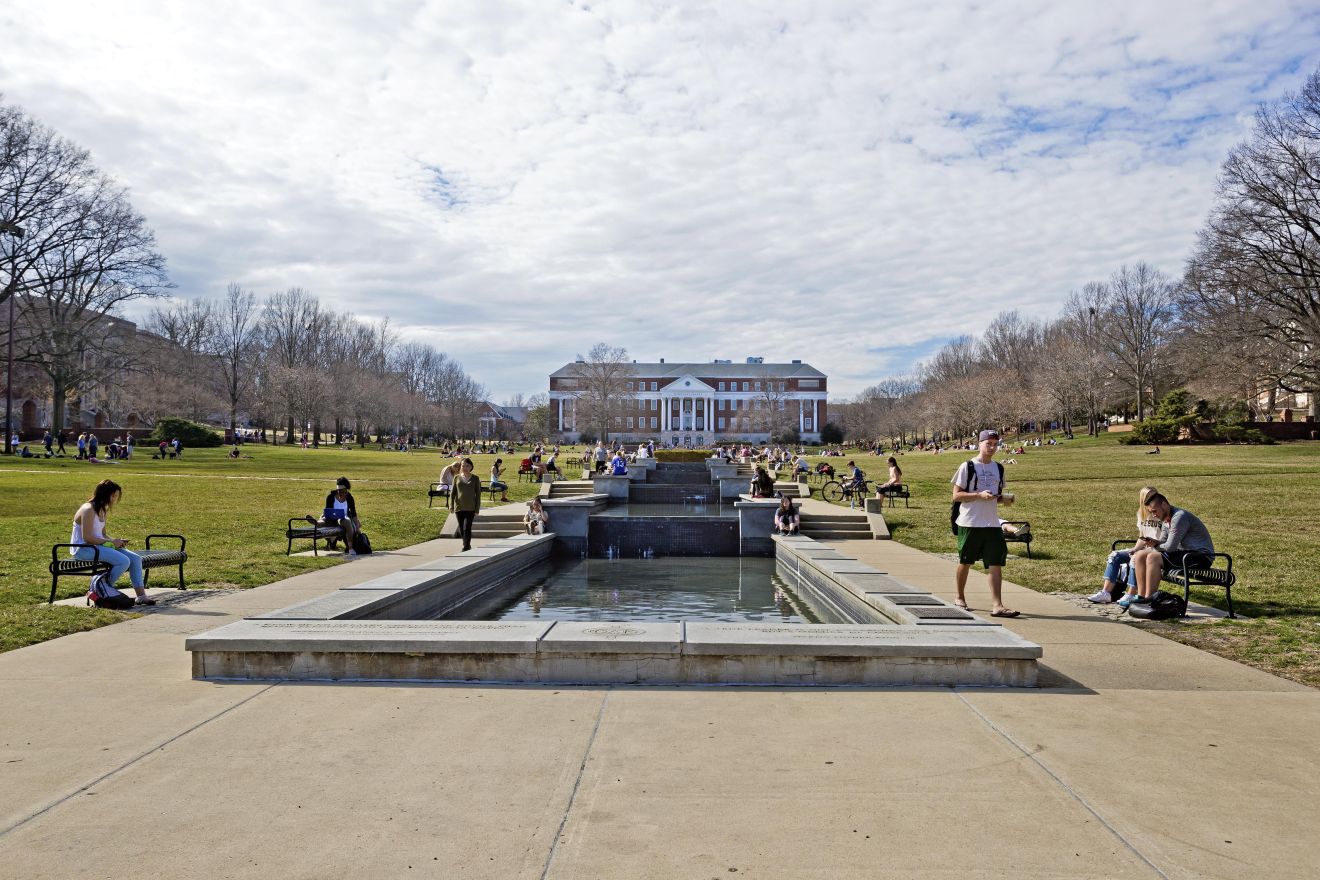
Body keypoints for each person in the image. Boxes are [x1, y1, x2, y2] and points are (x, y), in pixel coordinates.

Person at [950, 429, 1019, 617]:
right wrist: (978, 495)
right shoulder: (968, 466)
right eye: (988, 443)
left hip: (992, 524)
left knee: (995, 563)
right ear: (979, 443)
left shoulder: (999, 468)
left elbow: (994, 496)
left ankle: (998, 605)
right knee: (965, 561)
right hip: (970, 523)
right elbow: (956, 495)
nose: (992, 447)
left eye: (995, 444)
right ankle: (959, 597)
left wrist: (1003, 498)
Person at [71, 479, 155, 606]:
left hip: (96, 546)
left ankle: (141, 596)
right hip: (83, 549)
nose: (115, 499)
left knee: (135, 559)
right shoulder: (88, 509)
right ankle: (101, 590)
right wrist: (111, 542)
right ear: (105, 494)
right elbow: (87, 537)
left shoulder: (102, 510)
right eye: (113, 496)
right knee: (123, 561)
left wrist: (116, 541)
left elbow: (102, 535)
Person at [1128, 492, 1215, 606]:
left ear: (1164, 505)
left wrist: (1155, 546)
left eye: (1154, 511)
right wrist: (1154, 542)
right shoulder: (1165, 518)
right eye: (1151, 512)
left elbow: (1170, 547)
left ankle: (1150, 598)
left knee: (1153, 557)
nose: (1154, 515)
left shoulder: (1179, 517)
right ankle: (1141, 595)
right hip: (1185, 554)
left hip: (1200, 556)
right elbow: (1164, 541)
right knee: (1140, 555)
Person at [1087, 486, 1164, 606]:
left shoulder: (1160, 514)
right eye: (1149, 497)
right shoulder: (1141, 514)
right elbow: (1141, 536)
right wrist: (1135, 549)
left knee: (1135, 559)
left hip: (1155, 550)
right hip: (1144, 547)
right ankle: (1106, 592)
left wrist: (1142, 550)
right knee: (1115, 555)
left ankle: (1131, 593)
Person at [308, 476, 362, 556]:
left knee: (346, 521)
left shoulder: (349, 498)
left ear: (346, 490)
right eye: (338, 491)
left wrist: (357, 527)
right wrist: (325, 515)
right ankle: (317, 523)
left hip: (343, 519)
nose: (340, 493)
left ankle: (350, 548)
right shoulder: (331, 497)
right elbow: (327, 510)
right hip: (332, 519)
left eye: (342, 491)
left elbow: (353, 513)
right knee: (324, 519)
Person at [449, 457, 482, 551]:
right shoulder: (456, 477)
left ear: (471, 467)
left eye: (467, 466)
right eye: (463, 465)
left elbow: (478, 494)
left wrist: (477, 509)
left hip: (471, 508)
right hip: (459, 507)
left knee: (466, 528)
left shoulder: (475, 478)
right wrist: (451, 506)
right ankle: (466, 544)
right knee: (461, 528)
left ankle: (466, 546)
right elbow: (453, 493)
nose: (465, 467)